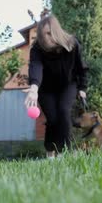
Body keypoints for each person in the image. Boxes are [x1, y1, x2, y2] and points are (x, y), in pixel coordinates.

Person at [23, 15, 89, 159]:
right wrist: (34, 88)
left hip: (68, 85)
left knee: (64, 111)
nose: (49, 37)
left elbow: (81, 67)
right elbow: (36, 67)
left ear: (57, 31)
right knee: (52, 119)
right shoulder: (37, 49)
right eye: (45, 34)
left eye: (51, 32)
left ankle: (64, 153)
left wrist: (82, 88)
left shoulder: (72, 45)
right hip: (46, 89)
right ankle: (50, 151)